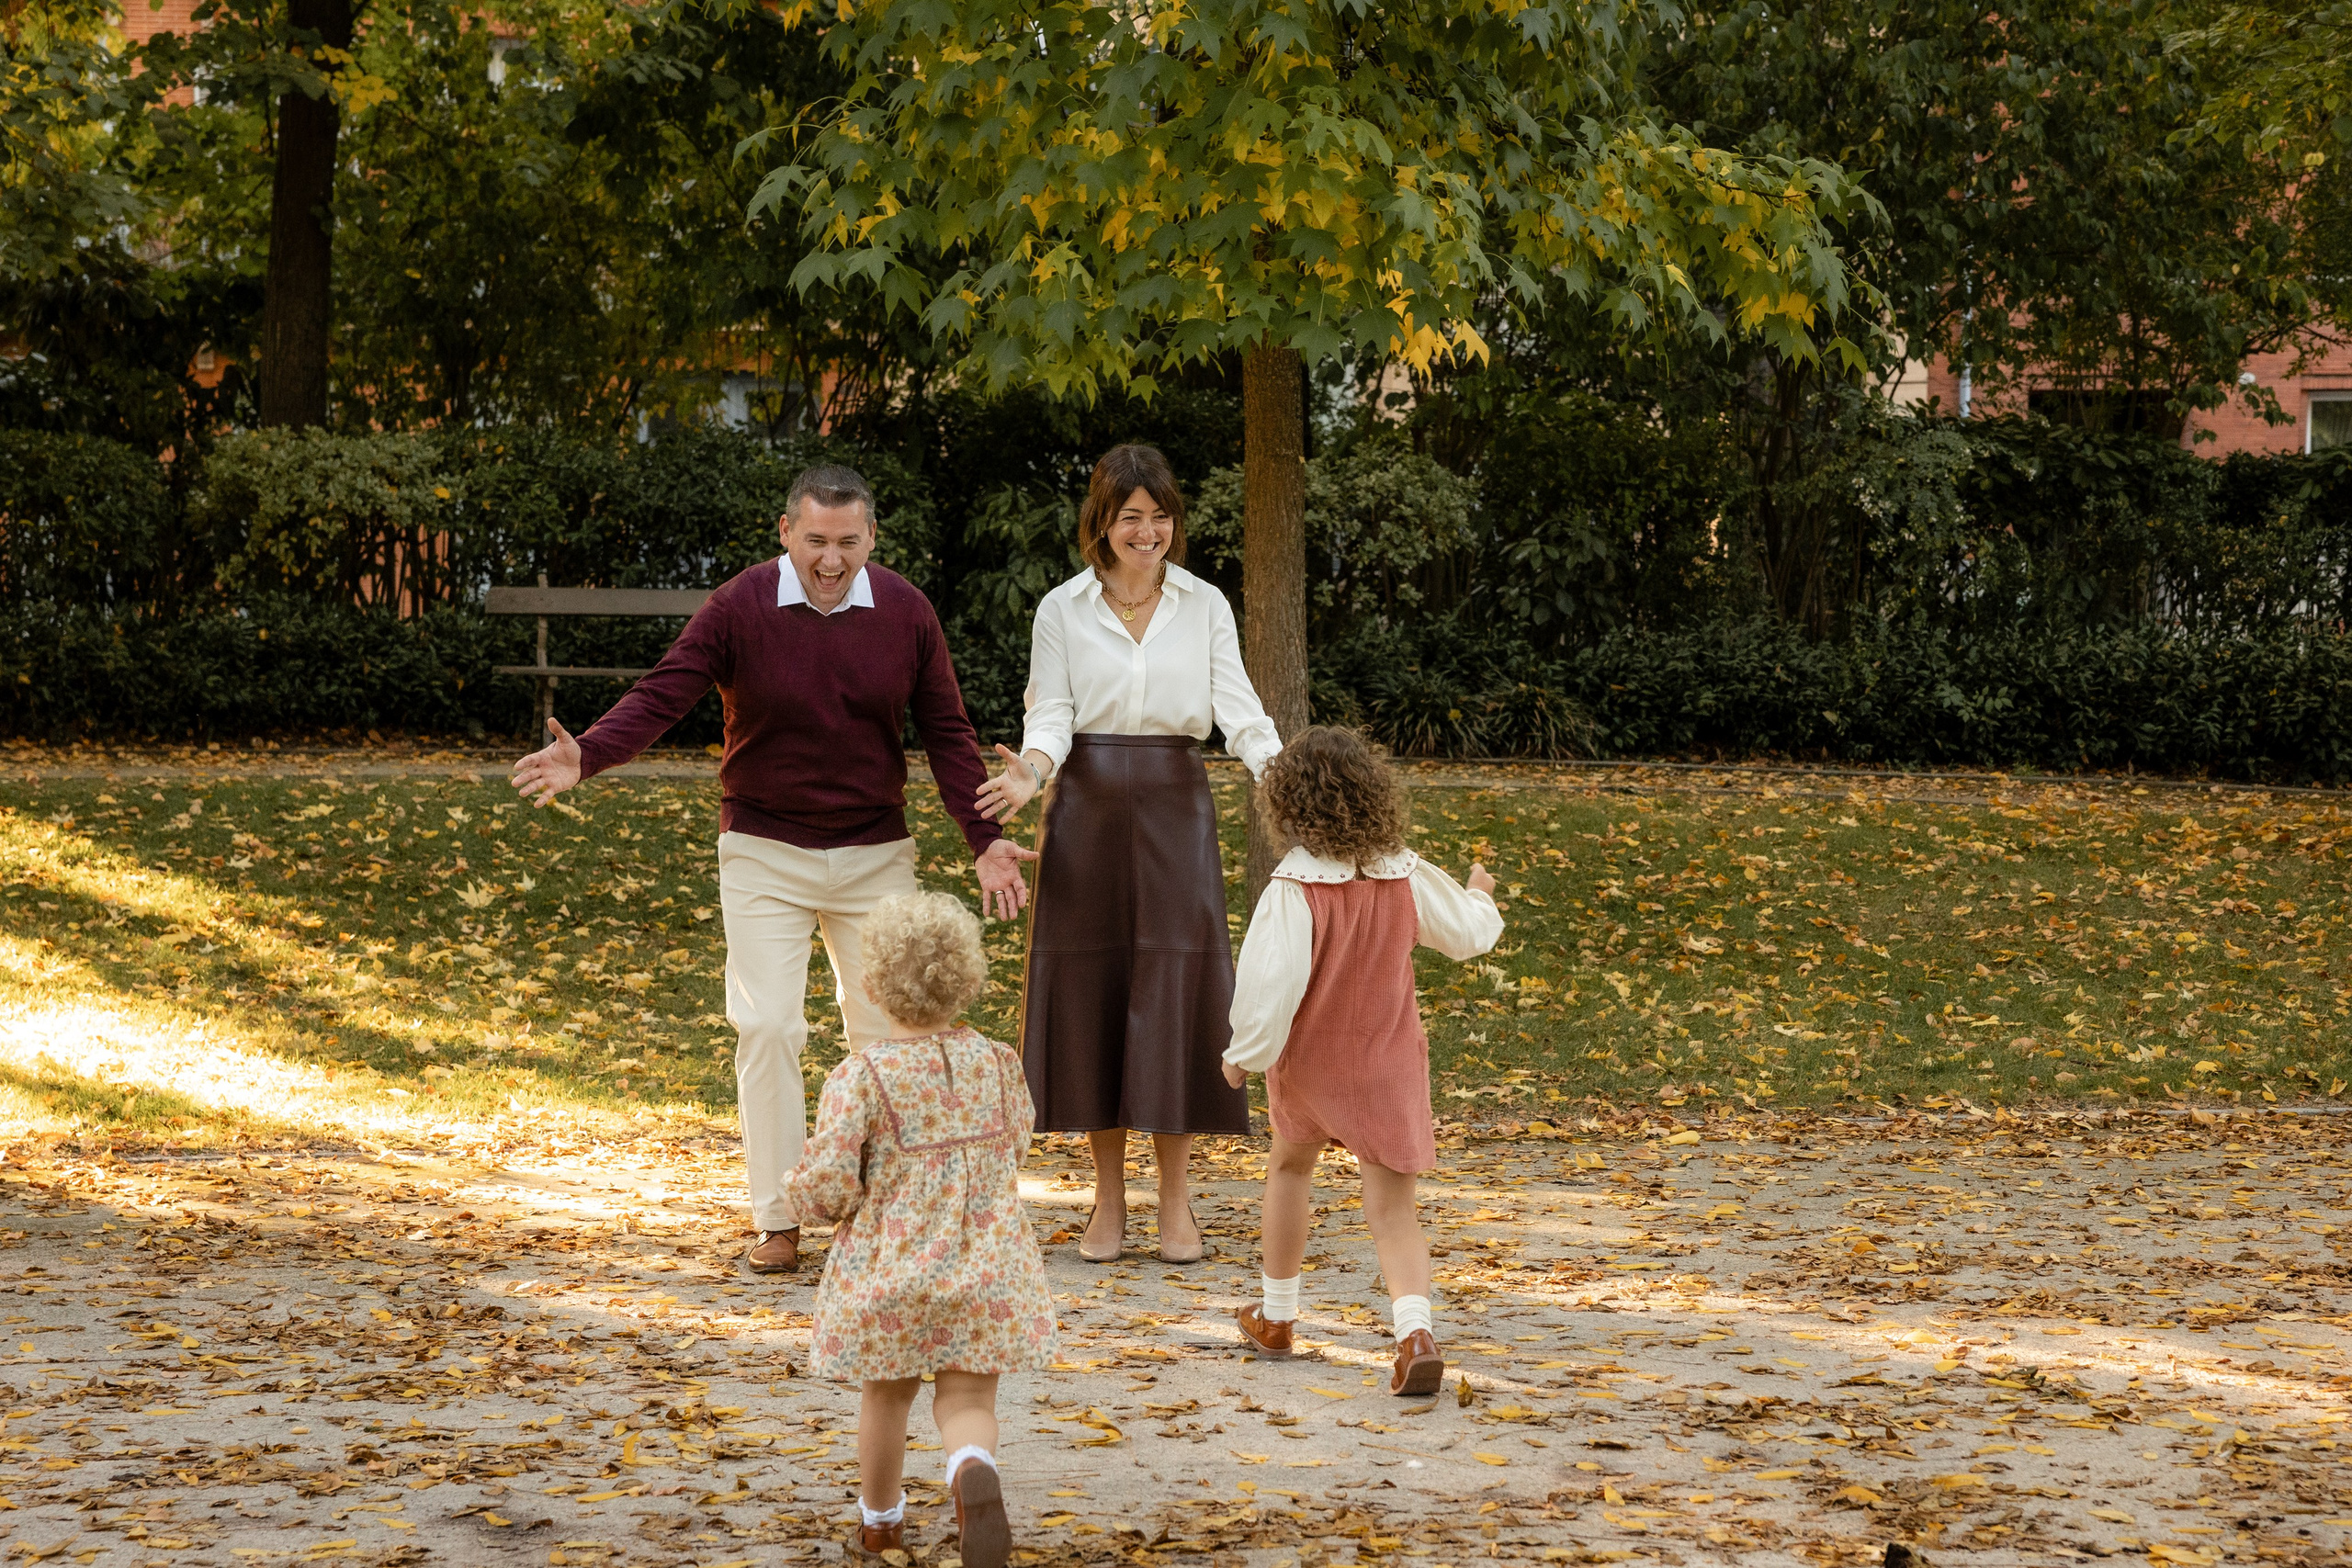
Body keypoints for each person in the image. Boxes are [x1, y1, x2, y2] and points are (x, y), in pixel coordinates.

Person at [509, 465, 1036, 1276]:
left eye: (848, 542)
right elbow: (664, 693)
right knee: (767, 1028)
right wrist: (591, 755)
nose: (832, 559)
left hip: (874, 850)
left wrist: (983, 838)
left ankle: (889, 1211)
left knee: (889, 1034)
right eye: (816, 540)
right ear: (786, 532)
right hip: (763, 847)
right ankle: (780, 1215)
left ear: (872, 538)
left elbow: (946, 732)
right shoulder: (740, 606)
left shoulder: (905, 611)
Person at [974, 444, 1280, 1265]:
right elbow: (1052, 713)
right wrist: (1033, 770)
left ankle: (1176, 1201)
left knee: (1178, 990)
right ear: (1102, 522)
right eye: (1131, 517)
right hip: (1086, 808)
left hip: (1178, 808)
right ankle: (1107, 1201)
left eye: (1160, 516)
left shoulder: (1205, 604)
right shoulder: (1061, 609)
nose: (1148, 532)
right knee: (1095, 995)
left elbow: (1239, 707)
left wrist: (1285, 778)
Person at [1218, 726, 1501, 1396]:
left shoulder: (1293, 887)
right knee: (1394, 1210)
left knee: (1290, 1167)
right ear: (1375, 794)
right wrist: (1481, 892)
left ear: (1287, 804)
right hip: (1387, 1066)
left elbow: (1269, 985)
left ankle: (1277, 1317)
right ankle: (1415, 1335)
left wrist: (1243, 1055)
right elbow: (1468, 933)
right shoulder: (1404, 873)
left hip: (1313, 1067)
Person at [784, 891, 1056, 1568]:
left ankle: (881, 1525)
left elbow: (831, 1185)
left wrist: (800, 1196)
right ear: (966, 980)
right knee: (967, 1396)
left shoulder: (861, 1077)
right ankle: (969, 1464)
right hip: (987, 1269)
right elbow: (1017, 1144)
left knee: (887, 1396)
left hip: (893, 1274)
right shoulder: (998, 1063)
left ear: (873, 986)